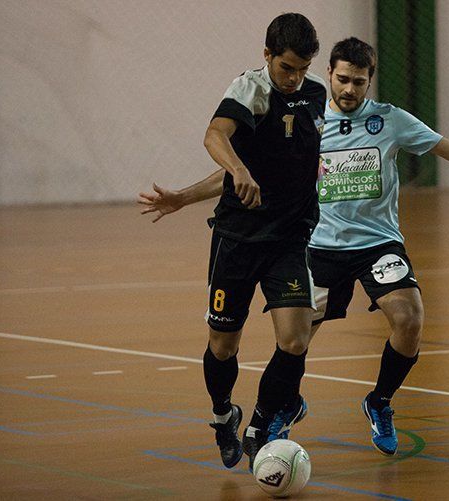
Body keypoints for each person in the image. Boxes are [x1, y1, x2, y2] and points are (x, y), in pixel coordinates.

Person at [140, 37, 449, 458]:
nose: (349, 89)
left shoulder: (390, 120)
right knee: (295, 340)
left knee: (410, 317)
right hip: (317, 246)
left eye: (358, 82)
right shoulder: (306, 119)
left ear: (369, 81)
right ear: (328, 74)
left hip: (379, 244)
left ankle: (379, 402)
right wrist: (182, 196)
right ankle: (284, 405)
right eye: (342, 79)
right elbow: (245, 174)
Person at [140, 13, 326, 470]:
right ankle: (224, 415)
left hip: (289, 239)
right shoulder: (251, 90)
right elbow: (215, 136)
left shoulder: (317, 93)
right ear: (267, 56)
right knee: (223, 346)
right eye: (286, 67)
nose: (294, 77)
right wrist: (231, 174)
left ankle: (263, 421)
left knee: (296, 339)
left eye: (302, 68)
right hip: (238, 239)